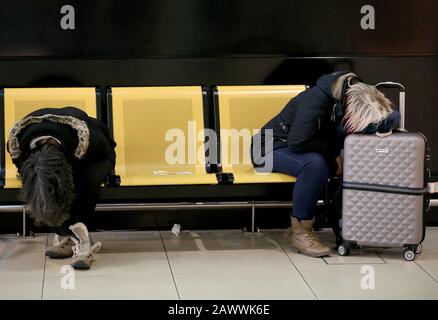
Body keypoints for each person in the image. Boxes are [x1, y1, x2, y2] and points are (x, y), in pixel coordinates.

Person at [251, 71, 400, 257]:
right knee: (315, 165)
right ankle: (300, 233)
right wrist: (333, 156)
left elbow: (390, 116)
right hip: (268, 147)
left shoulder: (353, 93)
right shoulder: (315, 101)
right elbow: (297, 142)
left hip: (297, 147)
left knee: (340, 162)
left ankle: (346, 224)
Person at [7, 107, 116, 269]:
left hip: (98, 154)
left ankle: (84, 244)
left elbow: (107, 149)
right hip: (62, 148)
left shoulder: (87, 137)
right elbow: (31, 178)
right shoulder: (17, 146)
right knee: (44, 191)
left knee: (85, 183)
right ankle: (65, 234)